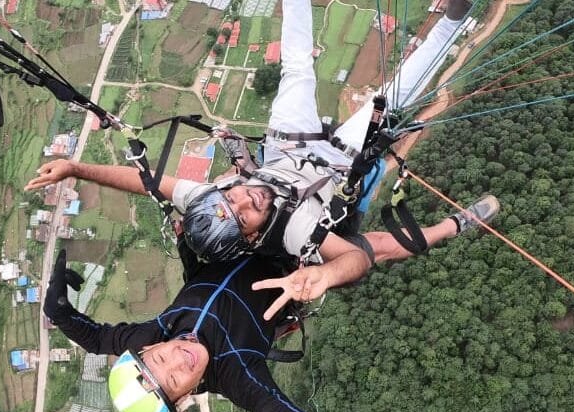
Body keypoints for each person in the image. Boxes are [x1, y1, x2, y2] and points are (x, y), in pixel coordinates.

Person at [25, 0, 496, 286]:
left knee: (297, 65)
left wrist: (77, 168)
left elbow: (146, 182)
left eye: (230, 196)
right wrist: (326, 274)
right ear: (252, 235)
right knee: (387, 102)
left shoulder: (207, 200)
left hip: (287, 149)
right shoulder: (293, 234)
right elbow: (362, 254)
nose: (244, 197)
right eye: (245, 213)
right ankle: (453, 22)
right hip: (333, 170)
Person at [43, 247, 373, 412]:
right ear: (184, 396)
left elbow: (101, 339)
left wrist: (59, 311)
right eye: (173, 380)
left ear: (146, 352)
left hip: (236, 244)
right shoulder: (234, 374)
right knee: (377, 248)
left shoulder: (151, 339)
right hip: (293, 265)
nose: (177, 360)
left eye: (159, 360)